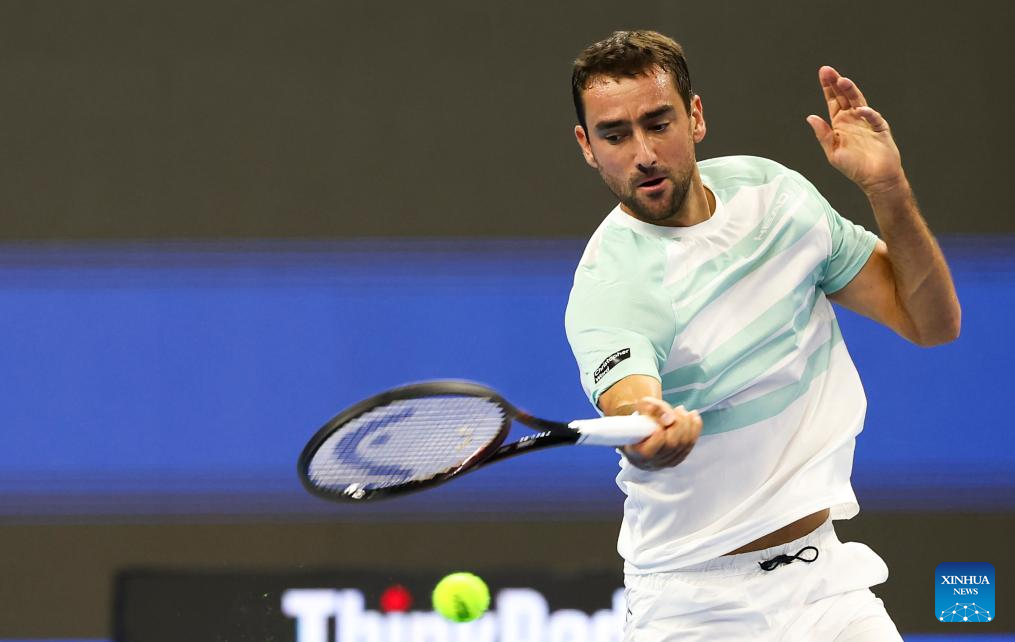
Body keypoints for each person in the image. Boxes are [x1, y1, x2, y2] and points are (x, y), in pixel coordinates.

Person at [564, 30, 960, 641]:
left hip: (826, 582)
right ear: (588, 147)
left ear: (696, 117)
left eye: (658, 124)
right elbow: (632, 405)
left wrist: (887, 189)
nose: (643, 153)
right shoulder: (608, 283)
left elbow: (932, 322)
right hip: (694, 605)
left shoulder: (774, 195)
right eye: (615, 136)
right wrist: (653, 430)